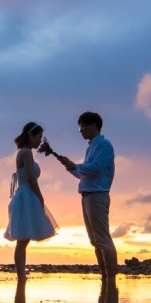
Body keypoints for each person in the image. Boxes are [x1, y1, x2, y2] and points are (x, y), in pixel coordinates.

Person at [56, 111, 117, 287]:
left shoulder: (104, 145)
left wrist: (76, 165)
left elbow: (96, 167)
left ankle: (111, 278)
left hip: (97, 195)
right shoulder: (91, 147)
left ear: (92, 126)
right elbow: (85, 174)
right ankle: (105, 277)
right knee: (94, 240)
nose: (80, 130)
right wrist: (70, 167)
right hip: (87, 195)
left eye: (82, 126)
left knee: (102, 239)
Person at [5, 122, 59, 281]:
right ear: (30, 135)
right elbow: (30, 178)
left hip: (24, 195)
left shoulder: (24, 152)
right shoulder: (26, 153)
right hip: (26, 196)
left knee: (23, 239)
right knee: (22, 239)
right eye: (38, 137)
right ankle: (21, 275)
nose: (40, 141)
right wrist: (40, 197)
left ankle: (21, 274)